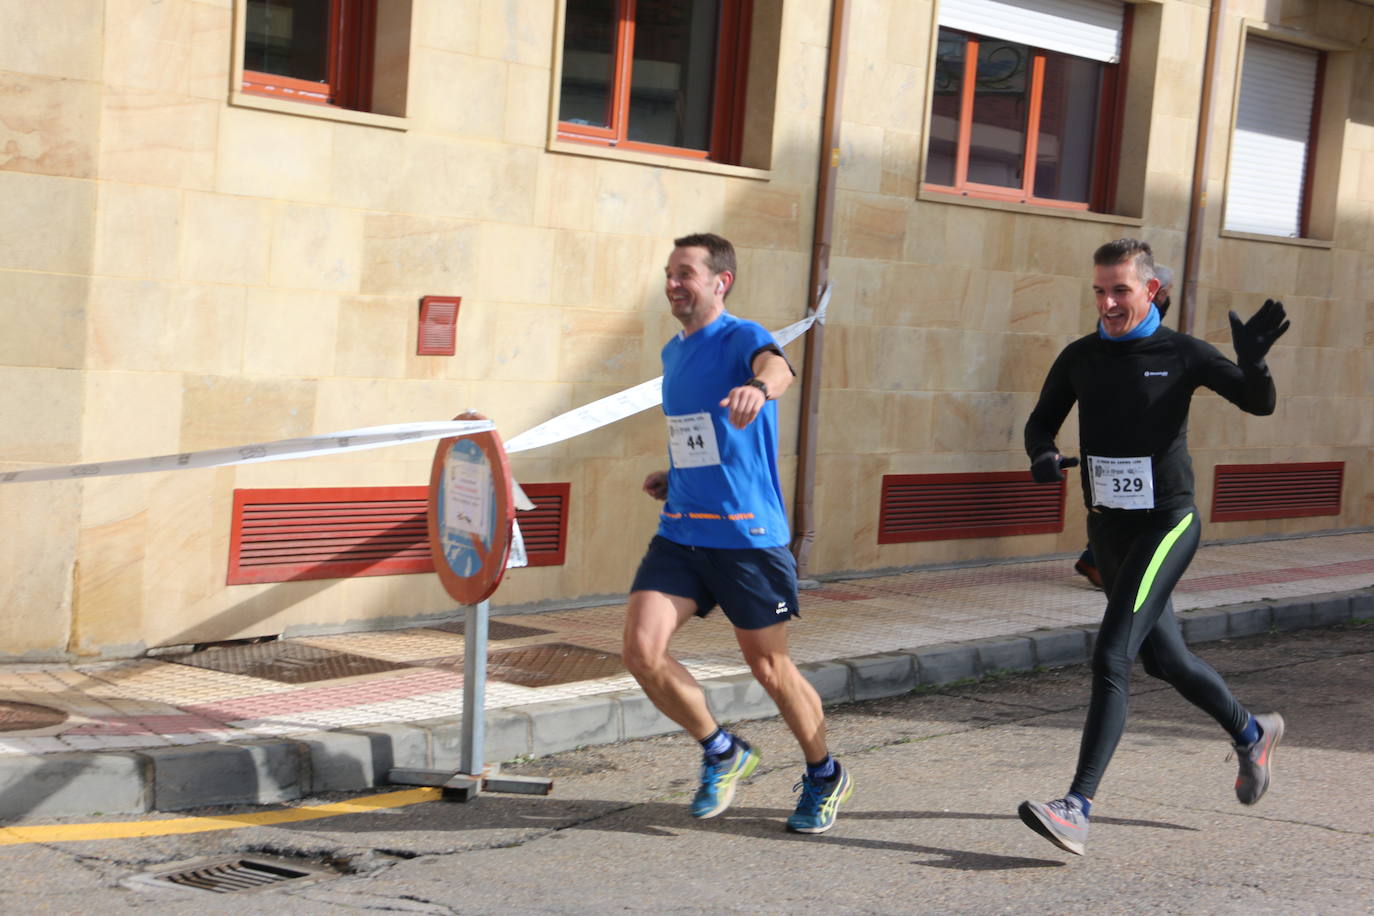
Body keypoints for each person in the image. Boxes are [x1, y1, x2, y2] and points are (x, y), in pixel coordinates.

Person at [1019, 239, 1288, 856]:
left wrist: (1255, 365)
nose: (1108, 302)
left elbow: (1259, 402)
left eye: (1121, 289)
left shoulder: (1182, 353)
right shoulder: (1081, 356)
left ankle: (1076, 806)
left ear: (1151, 291)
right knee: (1165, 660)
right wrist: (1039, 456)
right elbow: (1042, 421)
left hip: (1167, 523)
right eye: (1099, 290)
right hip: (1108, 529)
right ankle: (1251, 731)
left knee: (1112, 654)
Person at [622, 233, 853, 834]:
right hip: (682, 532)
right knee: (641, 651)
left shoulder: (742, 336)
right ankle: (722, 750)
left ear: (720, 282)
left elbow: (778, 368)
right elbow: (697, 433)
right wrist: (673, 476)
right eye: (669, 273)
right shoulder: (674, 354)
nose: (673, 283)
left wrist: (761, 388)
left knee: (770, 669)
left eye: (686, 273)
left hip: (747, 538)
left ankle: (824, 772)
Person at [1073, 264, 1174, 591]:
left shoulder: (1141, 320)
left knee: (1127, 504)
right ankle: (1098, 561)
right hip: (1123, 433)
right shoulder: (1127, 322)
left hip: (1133, 433)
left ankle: (1103, 562)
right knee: (1126, 505)